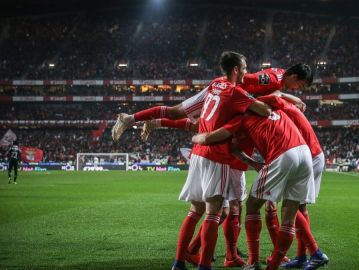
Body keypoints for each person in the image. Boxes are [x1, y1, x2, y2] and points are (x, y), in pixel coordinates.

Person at [192, 96, 328, 270]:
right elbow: (279, 94)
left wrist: (200, 138)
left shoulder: (240, 116)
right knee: (290, 213)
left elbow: (224, 139)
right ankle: (280, 264)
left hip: (283, 155)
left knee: (253, 205)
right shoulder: (274, 107)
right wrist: (294, 99)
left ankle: (253, 262)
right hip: (305, 153)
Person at [171, 51, 271, 270]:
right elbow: (264, 110)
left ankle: (178, 261)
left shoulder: (215, 84)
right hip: (217, 157)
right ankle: (204, 265)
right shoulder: (237, 93)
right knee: (213, 213)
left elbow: (187, 111)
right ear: (235, 70)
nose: (246, 71)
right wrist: (256, 100)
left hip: (197, 153)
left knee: (194, 210)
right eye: (244, 68)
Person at [111, 64, 313, 142]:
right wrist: (228, 88)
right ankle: (129, 118)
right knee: (175, 112)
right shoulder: (272, 79)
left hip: (232, 99)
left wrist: (286, 96)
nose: (298, 89)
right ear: (294, 76)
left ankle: (155, 122)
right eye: (300, 85)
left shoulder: (278, 75)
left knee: (201, 126)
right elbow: (246, 78)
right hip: (222, 91)